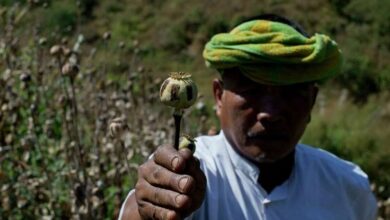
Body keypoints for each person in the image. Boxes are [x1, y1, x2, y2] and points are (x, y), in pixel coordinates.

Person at [118, 14, 378, 220]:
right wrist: (147, 210)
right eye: (252, 91)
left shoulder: (348, 187)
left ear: (312, 101)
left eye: (290, 93)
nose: (270, 113)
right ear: (219, 97)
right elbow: (146, 205)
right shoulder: (190, 171)